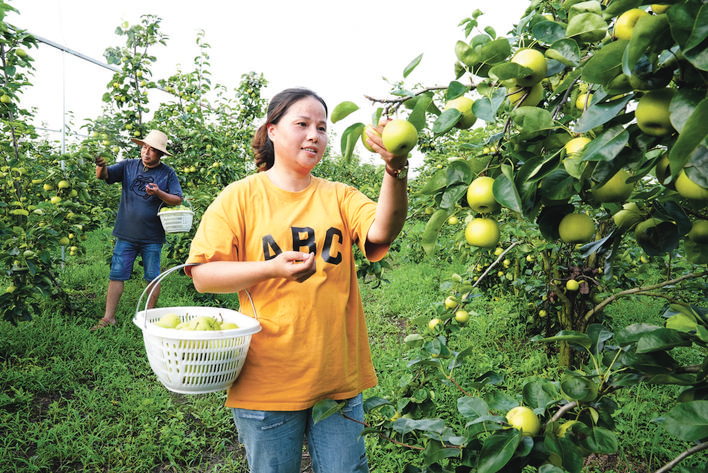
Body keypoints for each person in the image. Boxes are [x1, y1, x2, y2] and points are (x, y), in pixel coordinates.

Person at [185, 88, 409, 472]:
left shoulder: (340, 196)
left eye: (322, 127)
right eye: (302, 124)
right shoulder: (239, 197)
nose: (314, 135)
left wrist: (395, 169)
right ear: (272, 130)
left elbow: (382, 231)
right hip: (266, 380)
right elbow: (204, 276)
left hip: (336, 378)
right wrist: (271, 268)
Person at [91, 129, 184, 331]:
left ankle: (148, 318)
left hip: (152, 236)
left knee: (152, 275)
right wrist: (101, 167)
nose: (146, 153)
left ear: (160, 154)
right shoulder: (128, 166)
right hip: (126, 233)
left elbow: (177, 199)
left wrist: (159, 193)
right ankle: (108, 318)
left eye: (152, 150)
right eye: (144, 148)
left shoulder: (167, 173)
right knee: (117, 274)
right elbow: (104, 176)